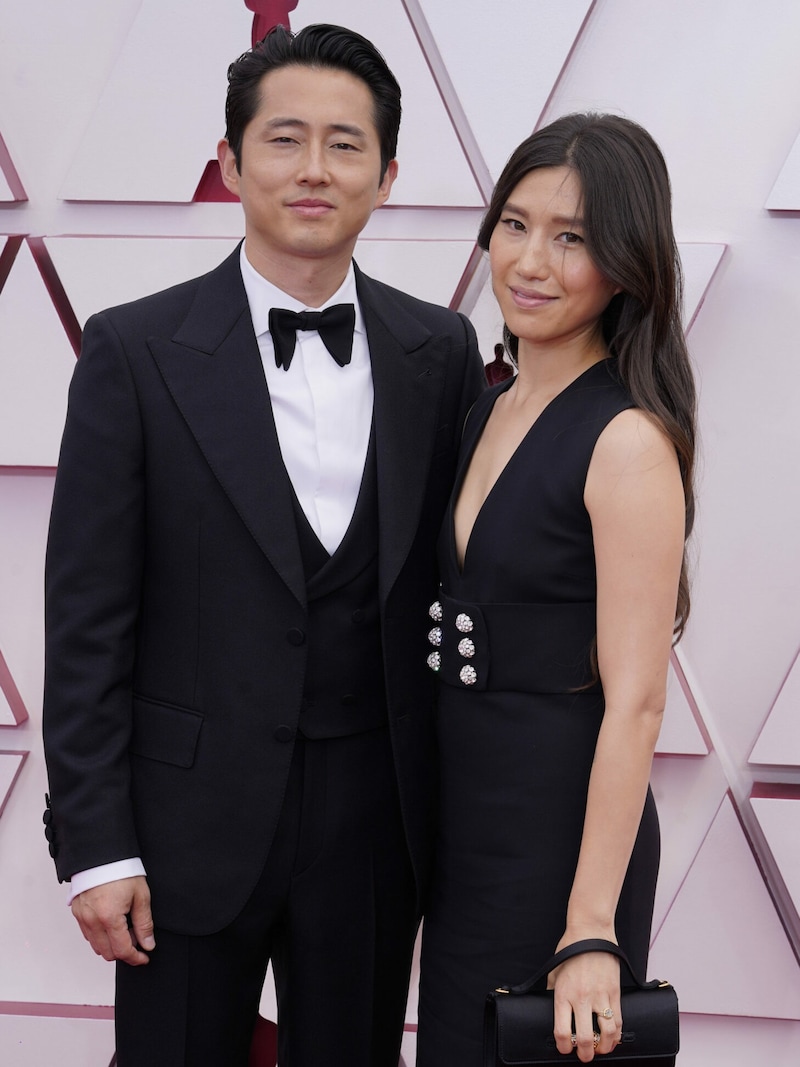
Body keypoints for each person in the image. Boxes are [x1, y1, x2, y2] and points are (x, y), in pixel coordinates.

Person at [42, 23, 485, 1067]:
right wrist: (95, 843)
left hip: (376, 825)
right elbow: (88, 618)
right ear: (233, 162)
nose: (314, 169)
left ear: (384, 173)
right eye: (285, 139)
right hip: (182, 822)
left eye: (345, 144)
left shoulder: (441, 350)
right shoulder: (131, 348)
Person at [416, 112, 696, 1065]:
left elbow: (637, 702)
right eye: (515, 224)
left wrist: (589, 929)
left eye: (571, 238)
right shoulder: (489, 402)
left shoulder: (625, 440)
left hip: (560, 842)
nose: (531, 261)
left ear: (625, 263)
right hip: (466, 827)